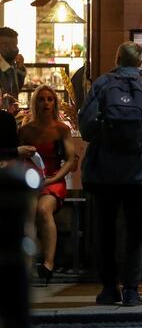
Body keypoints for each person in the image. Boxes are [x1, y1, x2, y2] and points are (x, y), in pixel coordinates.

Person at [78, 42, 142, 307]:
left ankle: (108, 288)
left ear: (116, 58)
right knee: (135, 231)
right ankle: (131, 289)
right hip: (141, 172)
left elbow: (86, 128)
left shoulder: (102, 86)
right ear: (140, 63)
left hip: (104, 172)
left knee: (105, 231)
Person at [19, 85, 76, 284]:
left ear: (55, 103)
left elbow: (70, 160)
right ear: (35, 103)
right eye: (42, 99)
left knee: (43, 210)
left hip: (53, 178)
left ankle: (48, 263)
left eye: (49, 99)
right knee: (28, 211)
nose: (46, 103)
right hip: (31, 180)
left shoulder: (62, 129)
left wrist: (54, 178)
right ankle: (26, 264)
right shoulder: (26, 130)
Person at [0, 27, 26, 112]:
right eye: (14, 45)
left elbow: (16, 89)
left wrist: (20, 68)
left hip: (11, 114)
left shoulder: (10, 63)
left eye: (16, 44)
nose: (16, 49)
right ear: (3, 45)